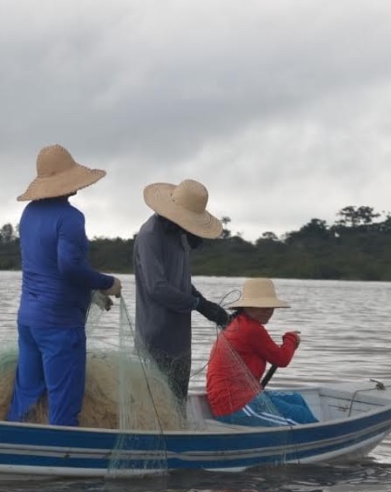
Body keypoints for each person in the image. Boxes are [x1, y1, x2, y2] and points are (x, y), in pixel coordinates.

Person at [7, 144, 122, 427]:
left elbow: (47, 265)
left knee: (26, 396)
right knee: (64, 402)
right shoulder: (70, 217)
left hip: (29, 321)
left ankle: (10, 444)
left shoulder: (29, 214)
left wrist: (92, 291)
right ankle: (63, 458)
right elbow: (68, 267)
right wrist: (107, 283)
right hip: (59, 323)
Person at [133, 179, 229, 400]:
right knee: (156, 402)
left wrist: (208, 307)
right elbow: (157, 287)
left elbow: (181, 283)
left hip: (180, 339)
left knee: (177, 400)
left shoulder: (180, 237)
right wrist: (197, 304)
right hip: (154, 337)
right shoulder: (150, 236)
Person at [205, 278, 317, 426]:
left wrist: (289, 341)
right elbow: (282, 359)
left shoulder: (240, 323)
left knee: (296, 398)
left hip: (244, 395)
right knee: (299, 416)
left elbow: (274, 354)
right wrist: (291, 339)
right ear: (247, 307)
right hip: (236, 405)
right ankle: (322, 438)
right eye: (262, 306)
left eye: (270, 306)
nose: (269, 311)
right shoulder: (251, 329)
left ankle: (316, 434)